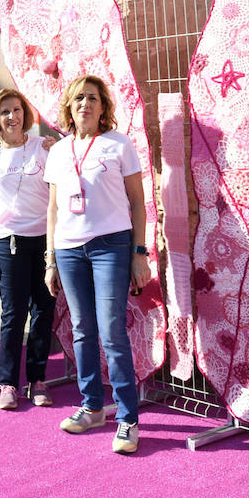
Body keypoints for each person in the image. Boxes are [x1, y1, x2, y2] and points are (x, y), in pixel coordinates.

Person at [44, 75, 151, 454]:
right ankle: (91, 406)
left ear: (103, 106)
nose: (84, 104)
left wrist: (140, 252)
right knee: (81, 330)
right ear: (69, 108)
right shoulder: (58, 152)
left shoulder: (119, 145)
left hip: (111, 246)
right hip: (69, 249)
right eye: (77, 99)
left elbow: (138, 202)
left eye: (92, 98)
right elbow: (53, 210)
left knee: (111, 332)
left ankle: (127, 419)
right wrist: (50, 260)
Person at [0, 89, 56, 410]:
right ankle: (8, 382)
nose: (12, 116)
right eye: (5, 111)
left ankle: (37, 379)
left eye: (17, 110)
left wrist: (59, 146)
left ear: (26, 114)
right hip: (8, 242)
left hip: (45, 241)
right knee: (13, 314)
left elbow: (57, 192)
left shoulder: (42, 146)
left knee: (43, 312)